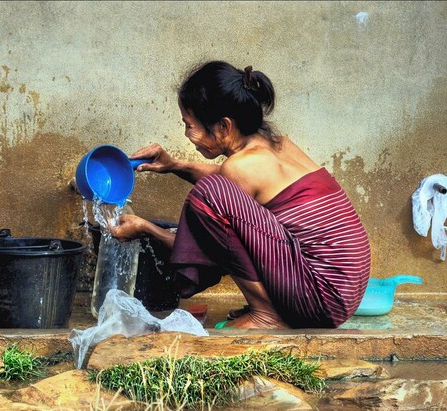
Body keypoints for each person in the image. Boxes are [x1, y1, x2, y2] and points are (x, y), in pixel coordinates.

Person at [109, 60, 371, 329]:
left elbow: (210, 250)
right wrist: (175, 165)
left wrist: (146, 229)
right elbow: (227, 180)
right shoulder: (278, 144)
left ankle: (265, 313)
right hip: (343, 292)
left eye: (190, 125)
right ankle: (271, 306)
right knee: (214, 194)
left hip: (320, 298)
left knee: (206, 196)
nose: (188, 134)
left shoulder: (240, 168)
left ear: (223, 126)